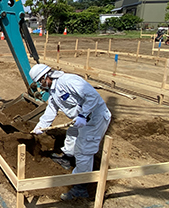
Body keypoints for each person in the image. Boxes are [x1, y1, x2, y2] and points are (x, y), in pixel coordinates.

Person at [30, 64, 111, 200]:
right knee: (72, 135)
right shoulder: (53, 91)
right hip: (81, 119)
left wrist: (83, 115)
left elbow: (92, 97)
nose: (40, 85)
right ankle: (68, 158)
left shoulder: (69, 81)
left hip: (95, 118)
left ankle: (81, 187)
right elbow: (51, 109)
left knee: (84, 150)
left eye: (40, 82)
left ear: (46, 77)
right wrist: (41, 125)